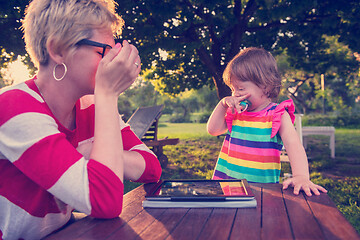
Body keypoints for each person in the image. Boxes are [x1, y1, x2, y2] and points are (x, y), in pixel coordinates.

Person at [0, 0, 162, 239]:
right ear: (58, 50)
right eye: (103, 51)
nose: (112, 60)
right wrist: (108, 93)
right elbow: (105, 202)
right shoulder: (13, 106)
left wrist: (90, 151)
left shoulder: (90, 105)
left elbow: (151, 168)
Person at [207, 47, 327, 197]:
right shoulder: (236, 112)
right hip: (227, 185)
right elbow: (213, 130)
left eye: (241, 88)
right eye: (232, 89)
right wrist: (223, 104)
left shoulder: (277, 114)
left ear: (266, 86)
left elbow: (294, 145)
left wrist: (301, 176)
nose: (235, 94)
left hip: (262, 189)